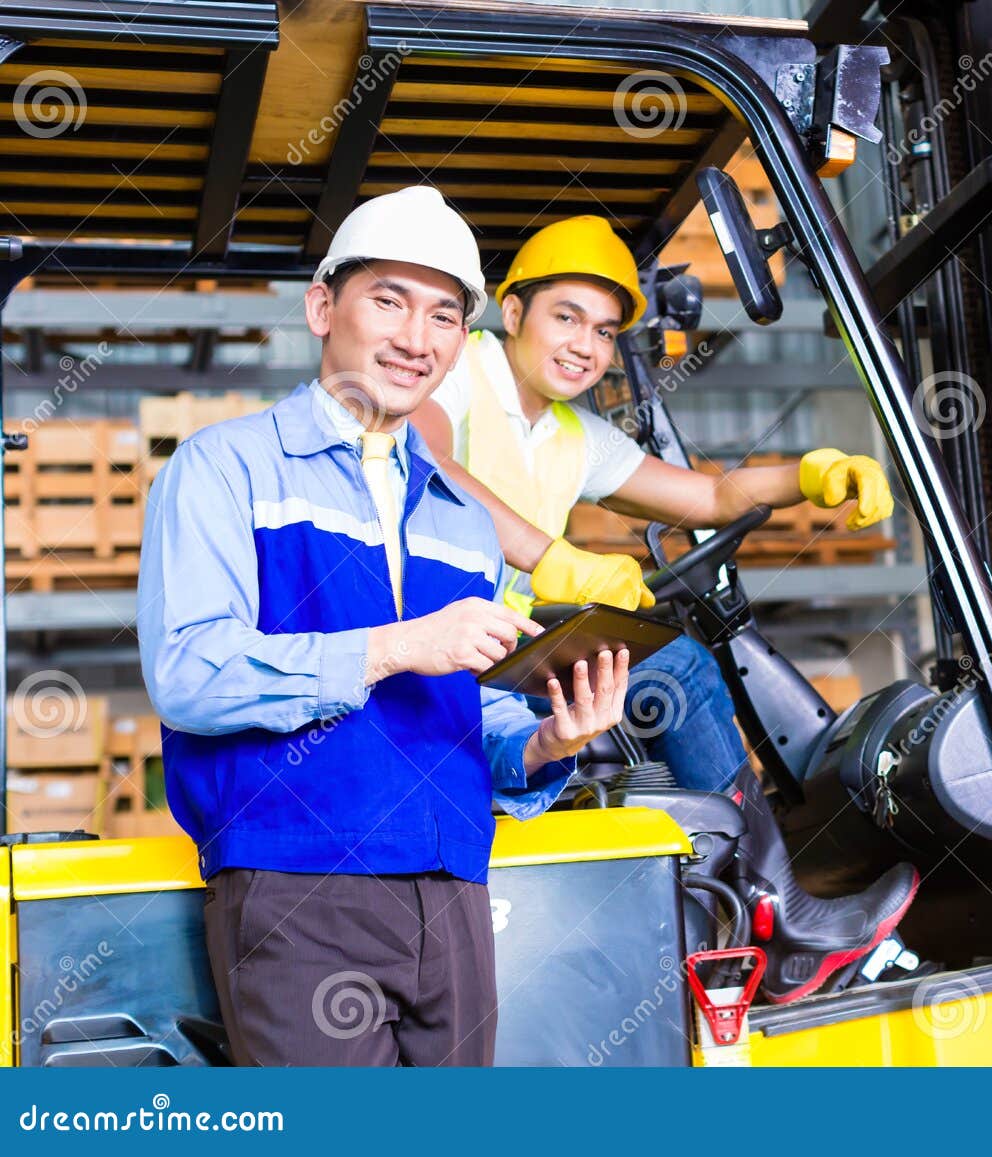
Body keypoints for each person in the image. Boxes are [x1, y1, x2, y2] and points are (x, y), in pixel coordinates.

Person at [137, 186, 629, 1066]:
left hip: (452, 889)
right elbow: (189, 672)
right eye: (389, 300)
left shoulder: (462, 518)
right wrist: (397, 645)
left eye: (444, 314)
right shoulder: (225, 469)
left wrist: (551, 740)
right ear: (323, 306)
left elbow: (457, 708)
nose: (416, 337)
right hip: (297, 883)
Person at [411, 215, 917, 1005]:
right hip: (437, 652)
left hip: (504, 647)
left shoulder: (575, 434)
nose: (586, 344)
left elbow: (711, 495)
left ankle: (737, 902)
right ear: (512, 314)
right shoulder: (457, 374)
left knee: (662, 656)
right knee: (675, 662)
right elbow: (429, 458)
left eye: (606, 331)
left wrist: (815, 474)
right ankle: (776, 913)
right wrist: (551, 555)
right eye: (566, 317)